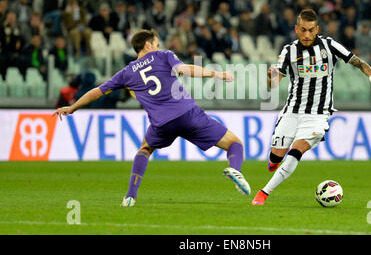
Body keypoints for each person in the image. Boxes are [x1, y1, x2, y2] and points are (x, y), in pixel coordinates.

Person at [54, 29, 251, 207]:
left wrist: (72, 107)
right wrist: (217, 74)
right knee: (235, 143)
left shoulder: (126, 73)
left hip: (161, 124)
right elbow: (184, 70)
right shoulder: (163, 55)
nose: (158, 47)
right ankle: (235, 169)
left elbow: (98, 91)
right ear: (148, 45)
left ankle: (130, 196)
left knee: (145, 149)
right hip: (188, 114)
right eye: (156, 43)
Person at [251, 9, 371, 205]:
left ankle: (263, 193)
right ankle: (274, 162)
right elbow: (273, 84)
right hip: (292, 111)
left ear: (317, 29)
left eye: (311, 30)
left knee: (296, 152)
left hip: (318, 115)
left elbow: (358, 62)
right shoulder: (289, 50)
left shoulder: (329, 46)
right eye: (303, 30)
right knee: (275, 157)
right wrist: (269, 75)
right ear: (296, 29)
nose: (307, 35)